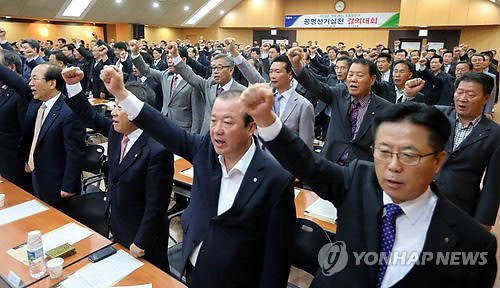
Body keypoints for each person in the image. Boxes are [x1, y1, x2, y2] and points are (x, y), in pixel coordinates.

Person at [240, 83, 497, 288]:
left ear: (438, 161)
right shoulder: (360, 180)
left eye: (409, 155)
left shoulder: (472, 242)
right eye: (383, 151)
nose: (393, 166)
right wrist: (266, 119)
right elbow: (310, 165)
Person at [99, 65, 295, 288]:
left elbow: (276, 260)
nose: (217, 130)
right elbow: (164, 128)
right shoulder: (205, 150)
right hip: (194, 268)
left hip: (238, 278)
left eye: (228, 122)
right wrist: (122, 94)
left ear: (252, 128)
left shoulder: (275, 179)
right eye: (213, 121)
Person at [61, 66, 173, 271]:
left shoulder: (157, 149)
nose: (113, 112)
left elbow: (157, 205)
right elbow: (89, 116)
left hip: (144, 234)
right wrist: (73, 85)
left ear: (137, 111)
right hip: (118, 221)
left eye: (120, 107)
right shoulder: (116, 133)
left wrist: (141, 241)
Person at [287, 46, 392, 164]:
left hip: (360, 168)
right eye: (351, 75)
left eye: (359, 75)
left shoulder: (385, 108)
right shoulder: (339, 93)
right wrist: (297, 65)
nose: (353, 79)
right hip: (330, 163)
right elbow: (316, 86)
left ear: (372, 80)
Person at [0, 62, 85, 207]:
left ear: (52, 83)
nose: (30, 83)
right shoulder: (37, 103)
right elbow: (15, 81)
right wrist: (28, 158)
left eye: (35, 79)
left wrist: (69, 186)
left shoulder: (69, 111)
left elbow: (75, 152)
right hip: (36, 175)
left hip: (56, 182)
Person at [433, 72, 500, 230]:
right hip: (421, 197)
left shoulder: (495, 133)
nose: (463, 98)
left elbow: (494, 183)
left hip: (459, 206)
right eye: (460, 92)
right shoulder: (437, 115)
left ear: (486, 98)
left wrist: (484, 220)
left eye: (471, 94)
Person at [225, 38, 314, 148]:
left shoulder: (304, 105)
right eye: (271, 71)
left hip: (287, 162)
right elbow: (250, 73)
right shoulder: (266, 92)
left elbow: (306, 146)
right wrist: (234, 52)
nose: (272, 75)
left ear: (290, 75)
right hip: (262, 158)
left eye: (277, 72)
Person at [168, 41, 246, 134]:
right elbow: (189, 76)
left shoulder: (242, 92)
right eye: (213, 68)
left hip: (229, 139)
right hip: (207, 136)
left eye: (220, 67)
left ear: (231, 70)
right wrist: (175, 55)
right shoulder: (209, 86)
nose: (215, 71)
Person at [129, 40, 205, 133]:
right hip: (164, 126)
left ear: (183, 60)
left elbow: (198, 114)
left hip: (183, 131)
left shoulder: (194, 81)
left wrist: (193, 138)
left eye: (172, 57)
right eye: (168, 58)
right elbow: (146, 70)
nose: (169, 61)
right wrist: (135, 53)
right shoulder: (165, 75)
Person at [0, 50, 29, 188]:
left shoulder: (21, 92)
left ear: (11, 68)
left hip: (14, 159)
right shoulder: (3, 89)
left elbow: (26, 129)